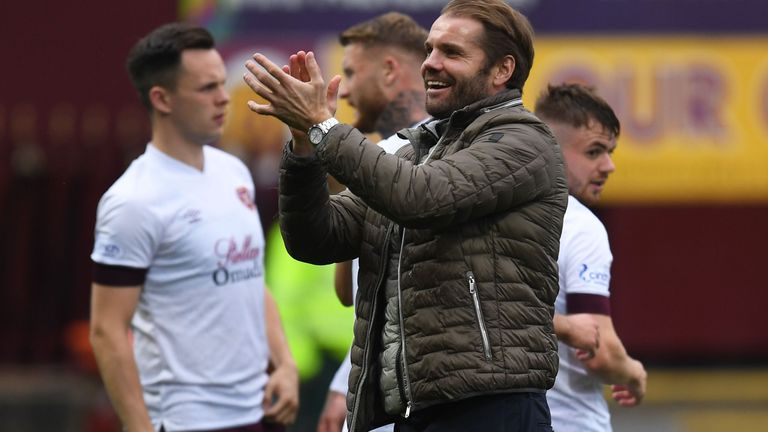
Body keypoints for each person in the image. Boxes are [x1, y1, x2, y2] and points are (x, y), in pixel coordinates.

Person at [243, 0, 568, 430]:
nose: (430, 64)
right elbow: (314, 239)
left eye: (451, 53)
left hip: (492, 405)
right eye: (430, 50)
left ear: (502, 69)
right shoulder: (416, 150)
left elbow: (420, 199)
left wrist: (324, 127)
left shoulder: (523, 141)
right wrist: (304, 146)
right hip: (417, 408)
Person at [89, 23, 298, 432]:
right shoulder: (133, 200)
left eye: (223, 83)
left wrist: (286, 365)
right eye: (207, 88)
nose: (225, 98)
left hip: (259, 412)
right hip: (188, 420)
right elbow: (107, 330)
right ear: (161, 98)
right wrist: (139, 427)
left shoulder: (233, 172)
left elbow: (251, 278)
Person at [314, 12, 430, 432]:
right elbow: (351, 294)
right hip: (373, 392)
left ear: (388, 71)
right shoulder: (371, 156)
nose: (342, 89)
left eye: (350, 72)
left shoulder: (439, 156)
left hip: (412, 401)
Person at [534, 83, 648, 432]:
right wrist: (633, 372)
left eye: (609, 151)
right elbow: (600, 353)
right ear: (550, 149)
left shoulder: (501, 214)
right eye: (594, 152)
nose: (609, 165)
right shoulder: (581, 227)